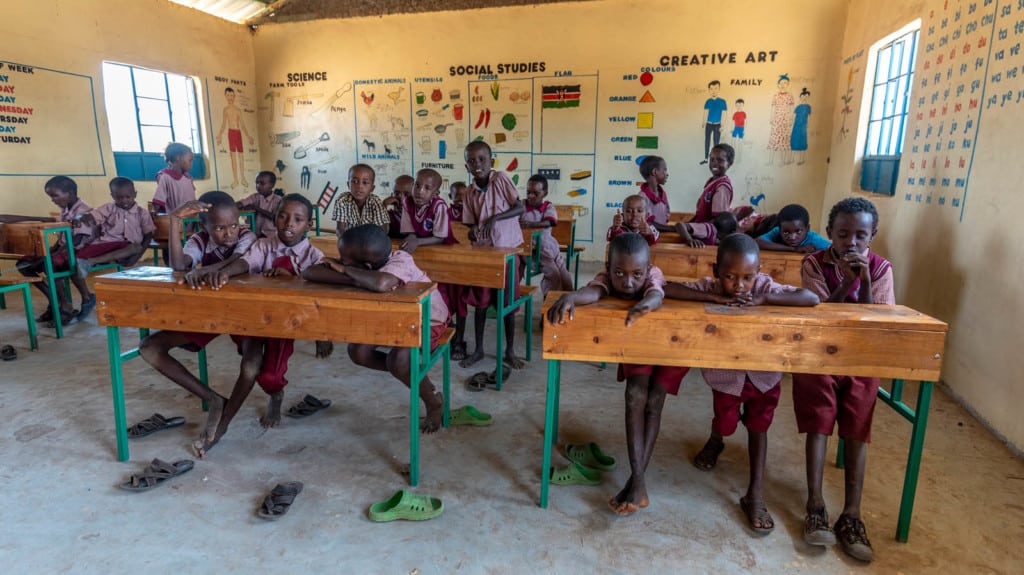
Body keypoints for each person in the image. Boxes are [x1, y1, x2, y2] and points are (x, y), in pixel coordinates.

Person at [663, 234, 819, 534]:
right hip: (726, 378)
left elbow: (810, 298)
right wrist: (710, 296)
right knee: (726, 423)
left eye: (748, 277)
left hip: (764, 376)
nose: (738, 286)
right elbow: (668, 288)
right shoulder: (710, 286)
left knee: (759, 428)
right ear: (716, 269)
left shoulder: (763, 287)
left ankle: (755, 495)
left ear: (759, 272)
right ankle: (716, 439)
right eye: (730, 277)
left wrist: (764, 298)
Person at [792, 197, 893, 563]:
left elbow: (876, 319)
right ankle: (815, 504)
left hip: (862, 358)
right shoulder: (813, 263)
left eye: (860, 235)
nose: (851, 242)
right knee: (819, 423)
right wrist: (846, 280)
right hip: (821, 353)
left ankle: (852, 514)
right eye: (843, 233)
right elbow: (819, 314)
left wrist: (862, 278)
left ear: (872, 236)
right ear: (830, 234)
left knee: (856, 428)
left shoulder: (881, 269)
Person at [546, 233, 677, 516]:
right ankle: (638, 482)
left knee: (654, 401)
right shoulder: (607, 276)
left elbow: (655, 293)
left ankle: (636, 481)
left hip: (669, 341)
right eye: (619, 273)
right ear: (609, 265)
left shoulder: (653, 275)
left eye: (636, 275)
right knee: (634, 395)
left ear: (648, 267)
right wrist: (572, 297)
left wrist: (645, 305)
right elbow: (595, 291)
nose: (628, 282)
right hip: (636, 340)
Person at [190, 194, 325, 450]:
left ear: (308, 224)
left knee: (271, 376)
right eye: (283, 216)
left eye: (298, 220)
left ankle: (276, 394)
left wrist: (292, 278)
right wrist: (223, 273)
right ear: (274, 218)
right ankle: (225, 423)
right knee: (250, 365)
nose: (289, 224)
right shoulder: (263, 245)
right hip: (251, 319)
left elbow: (320, 290)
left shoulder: (313, 254)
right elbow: (244, 262)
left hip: (284, 325)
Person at [138, 191, 260, 458]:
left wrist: (205, 270)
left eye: (232, 225)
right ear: (203, 226)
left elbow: (239, 262)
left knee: (251, 365)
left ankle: (223, 423)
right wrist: (174, 221)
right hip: (211, 313)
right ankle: (214, 399)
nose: (228, 233)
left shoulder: (247, 237)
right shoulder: (199, 240)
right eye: (218, 227)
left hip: (248, 315)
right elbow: (179, 265)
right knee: (149, 348)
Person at [303, 224, 449, 432]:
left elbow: (380, 283)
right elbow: (310, 272)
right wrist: (355, 275)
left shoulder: (401, 260)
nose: (339, 260)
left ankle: (433, 401)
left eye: (345, 260)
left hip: (428, 319)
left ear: (367, 267)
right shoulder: (364, 267)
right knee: (358, 352)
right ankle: (405, 371)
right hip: (393, 319)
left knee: (398, 360)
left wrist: (345, 270)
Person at [460, 140, 526, 369]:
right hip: (485, 255)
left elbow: (520, 208)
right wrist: (472, 232)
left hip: (508, 251)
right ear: (466, 165)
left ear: (491, 161)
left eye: (482, 160)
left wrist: (494, 218)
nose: (477, 164)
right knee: (480, 303)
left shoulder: (501, 180)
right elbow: (469, 224)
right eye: (471, 161)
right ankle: (478, 349)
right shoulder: (469, 192)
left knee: (507, 303)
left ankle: (509, 350)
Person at [15, 176, 96, 325]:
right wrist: (50, 250)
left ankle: (65, 306)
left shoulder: (84, 211)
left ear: (69, 193)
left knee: (50, 263)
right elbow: (63, 239)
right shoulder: (65, 210)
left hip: (81, 250)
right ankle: (54, 300)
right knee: (23, 264)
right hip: (67, 249)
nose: (52, 200)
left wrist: (53, 254)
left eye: (54, 195)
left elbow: (77, 241)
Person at [74, 177, 155, 291]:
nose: (124, 200)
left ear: (135, 194)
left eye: (128, 197)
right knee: (76, 256)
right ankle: (91, 262)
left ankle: (91, 262)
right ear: (112, 196)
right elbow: (91, 215)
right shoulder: (109, 208)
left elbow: (148, 234)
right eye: (119, 197)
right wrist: (79, 218)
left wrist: (138, 256)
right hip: (107, 245)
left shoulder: (142, 213)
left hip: (127, 249)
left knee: (136, 247)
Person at [520, 174, 573, 297]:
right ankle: (549, 305)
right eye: (528, 192)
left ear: (545, 193)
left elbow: (550, 221)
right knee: (554, 276)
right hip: (535, 254)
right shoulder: (522, 206)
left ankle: (568, 303)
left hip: (552, 251)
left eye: (535, 193)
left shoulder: (547, 207)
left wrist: (531, 225)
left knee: (566, 278)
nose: (530, 196)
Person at [399, 169, 455, 253]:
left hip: (443, 250)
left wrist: (417, 241)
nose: (420, 191)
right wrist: (412, 239)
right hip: (420, 246)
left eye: (427, 188)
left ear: (435, 194)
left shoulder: (439, 206)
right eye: (417, 185)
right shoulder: (407, 202)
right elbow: (410, 232)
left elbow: (440, 238)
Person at [332, 164, 389, 238]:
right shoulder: (342, 201)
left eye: (365, 182)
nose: (359, 186)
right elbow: (340, 230)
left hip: (371, 241)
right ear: (348, 184)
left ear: (372, 188)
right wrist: (347, 244)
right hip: (350, 241)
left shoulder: (375, 202)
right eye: (355, 181)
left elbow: (383, 231)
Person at [215, 87, 254, 189]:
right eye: (228, 95)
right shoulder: (226, 110)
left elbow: (243, 125)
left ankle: (243, 178)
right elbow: (224, 124)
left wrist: (248, 136)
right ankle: (236, 180)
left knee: (241, 156)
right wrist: (219, 135)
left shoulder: (238, 110)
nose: (230, 97)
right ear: (225, 96)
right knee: (233, 157)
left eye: (232, 95)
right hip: (231, 133)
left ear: (234, 96)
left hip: (238, 133)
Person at [756, 203, 830, 253]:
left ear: (807, 228)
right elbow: (757, 242)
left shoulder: (813, 239)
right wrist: (794, 249)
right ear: (779, 229)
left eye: (798, 231)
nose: (792, 237)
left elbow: (834, 249)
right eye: (786, 232)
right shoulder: (777, 231)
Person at [693, 143, 735, 224]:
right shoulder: (711, 182)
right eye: (712, 159)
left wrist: (695, 228)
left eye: (720, 160)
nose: (714, 163)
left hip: (710, 233)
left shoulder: (722, 186)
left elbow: (718, 221)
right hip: (702, 228)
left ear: (730, 163)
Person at [152, 143, 197, 214]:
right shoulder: (165, 177)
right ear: (178, 158)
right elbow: (158, 201)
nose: (192, 163)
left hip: (191, 220)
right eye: (190, 160)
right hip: (176, 220)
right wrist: (152, 218)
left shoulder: (188, 178)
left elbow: (193, 199)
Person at [237, 171, 283, 238]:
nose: (258, 186)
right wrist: (235, 206)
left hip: (271, 236)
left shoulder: (278, 200)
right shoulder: (255, 197)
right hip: (256, 235)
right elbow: (242, 203)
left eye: (262, 183)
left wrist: (256, 208)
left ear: (272, 185)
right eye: (257, 183)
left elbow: (275, 217)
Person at [768, 74, 795, 166]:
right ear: (778, 85)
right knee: (774, 139)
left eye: (785, 83)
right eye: (781, 83)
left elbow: (792, 109)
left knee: (784, 140)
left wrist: (791, 119)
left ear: (788, 85)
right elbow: (773, 107)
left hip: (785, 121)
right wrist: (771, 118)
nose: (783, 85)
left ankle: (783, 161)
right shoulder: (775, 96)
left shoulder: (790, 96)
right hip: (776, 120)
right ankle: (770, 160)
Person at [701, 80, 727, 164]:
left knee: (716, 143)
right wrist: (704, 122)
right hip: (708, 124)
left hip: (717, 125)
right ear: (709, 90)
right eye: (711, 89)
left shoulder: (722, 101)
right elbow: (705, 112)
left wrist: (722, 125)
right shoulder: (708, 101)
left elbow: (724, 114)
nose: (713, 91)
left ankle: (715, 159)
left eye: (716, 88)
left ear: (719, 89)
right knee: (707, 141)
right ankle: (706, 158)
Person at [385, 174, 414, 239]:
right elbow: (379, 233)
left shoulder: (419, 215)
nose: (401, 197)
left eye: (406, 194)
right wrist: (383, 207)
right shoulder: (389, 213)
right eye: (397, 193)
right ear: (392, 195)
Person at [791, 88, 812, 165]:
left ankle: (801, 159)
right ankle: (792, 159)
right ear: (800, 97)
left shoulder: (808, 107)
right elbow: (794, 116)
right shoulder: (798, 107)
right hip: (796, 126)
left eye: (806, 96)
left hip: (803, 126)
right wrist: (792, 124)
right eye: (803, 96)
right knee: (794, 140)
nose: (804, 98)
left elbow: (809, 117)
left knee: (802, 142)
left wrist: (808, 125)